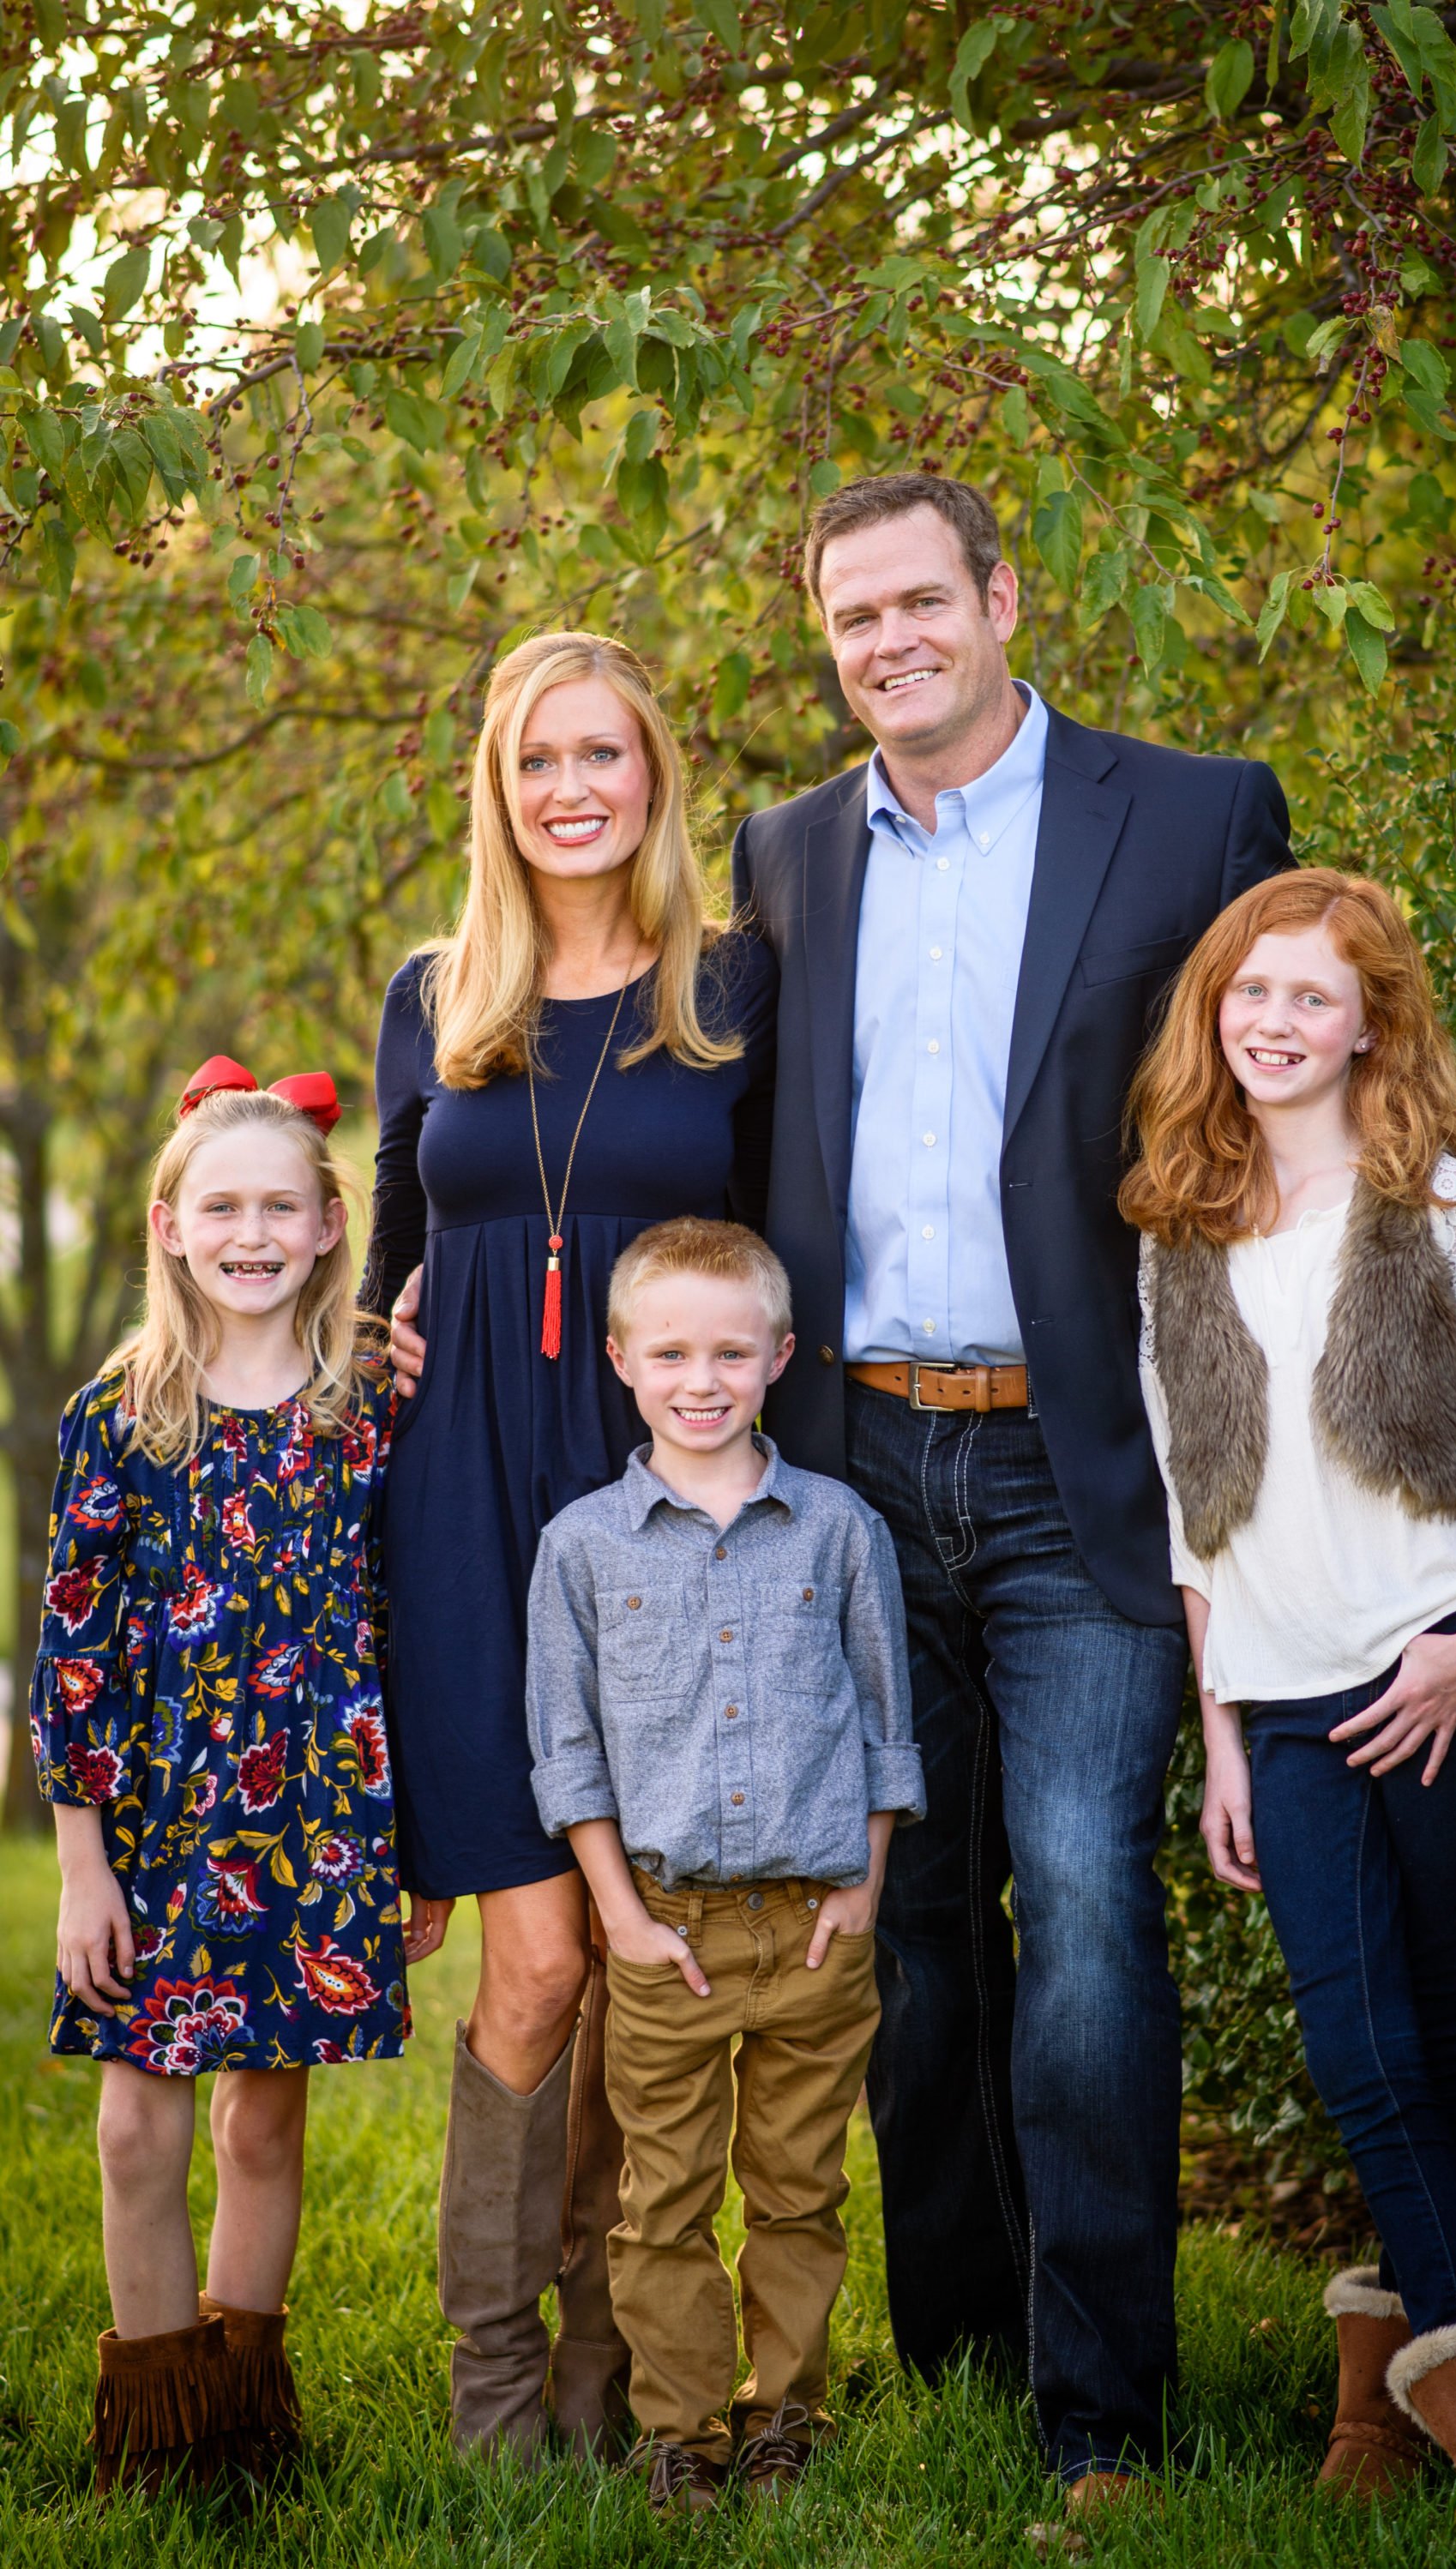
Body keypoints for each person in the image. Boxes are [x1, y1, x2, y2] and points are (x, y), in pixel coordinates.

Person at [728, 472, 1292, 2502]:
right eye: (849, 619)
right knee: (916, 1930)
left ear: (999, 595)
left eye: (915, 603)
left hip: (1087, 1461)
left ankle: (1101, 2403)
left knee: (1082, 1908)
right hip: (858, 1456)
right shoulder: (785, 852)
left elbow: (1280, 1112)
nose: (886, 644)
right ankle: (958, 2344)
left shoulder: (1194, 812)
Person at [1124, 869, 1456, 2516]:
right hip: (1286, 1703)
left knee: (1444, 2029)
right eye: (1253, 993)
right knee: (1363, 2041)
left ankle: (1377, 2404)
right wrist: (1222, 1741)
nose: (1277, 1022)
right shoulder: (1179, 1230)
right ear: (1216, 1013)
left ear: (1369, 1024)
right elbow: (1192, 1510)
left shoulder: (1440, 1203)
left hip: (1445, 1664)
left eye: (1313, 998)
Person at [367, 631, 775, 2458]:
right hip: (457, 1505)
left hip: (657, 1512)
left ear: (654, 777)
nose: (571, 789)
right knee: (533, 1961)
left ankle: (621, 2377)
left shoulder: (734, 993)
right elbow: (380, 1248)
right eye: (538, 759)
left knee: (644, 1959)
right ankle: (498, 2394)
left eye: (602, 753)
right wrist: (372, 1326)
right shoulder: (434, 992)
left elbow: (778, 1269)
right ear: (498, 785)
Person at [33, 1063, 413, 2497]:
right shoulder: (118, 1416)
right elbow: (69, 1655)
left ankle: (245, 2416)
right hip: (152, 1828)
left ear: (328, 1227)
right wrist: (83, 1865)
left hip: (312, 1819)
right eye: (222, 1207)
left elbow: (400, 1618)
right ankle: (155, 2430)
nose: (251, 1232)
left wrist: (410, 1851)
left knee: (264, 2112)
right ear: (169, 1226)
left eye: (281, 1207)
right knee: (137, 2120)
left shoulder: (366, 1411)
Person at [524, 1217, 923, 2516]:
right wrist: (621, 1919)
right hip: (668, 1937)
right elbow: (567, 1748)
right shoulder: (584, 1545)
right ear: (622, 1360)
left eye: (732, 1354)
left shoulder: (840, 1529)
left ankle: (784, 2418)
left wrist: (863, 1887)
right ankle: (681, 2432)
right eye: (674, 1352)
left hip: (813, 1926)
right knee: (663, 2200)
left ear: (781, 1359)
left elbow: (885, 1723)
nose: (703, 1380)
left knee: (801, 2191)